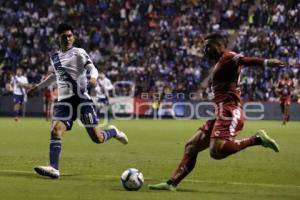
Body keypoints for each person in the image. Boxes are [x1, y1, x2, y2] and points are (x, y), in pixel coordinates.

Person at [148, 33, 282, 191]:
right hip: (220, 112)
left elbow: (243, 59)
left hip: (230, 111)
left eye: (208, 46)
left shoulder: (228, 57)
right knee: (191, 147)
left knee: (216, 152)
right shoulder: (220, 63)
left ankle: (257, 139)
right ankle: (171, 184)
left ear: (219, 45)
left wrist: (266, 63)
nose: (205, 50)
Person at [28, 23, 128, 179]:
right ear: (58, 38)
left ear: (73, 37)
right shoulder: (54, 57)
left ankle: (113, 131)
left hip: (81, 100)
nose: (68, 38)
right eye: (64, 36)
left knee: (98, 139)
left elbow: (92, 68)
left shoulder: (79, 53)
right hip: (64, 102)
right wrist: (37, 87)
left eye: (70, 36)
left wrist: (94, 79)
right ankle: (54, 168)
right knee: (55, 131)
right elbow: (55, 76)